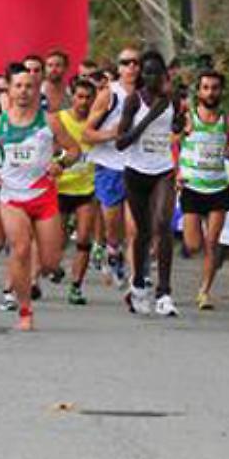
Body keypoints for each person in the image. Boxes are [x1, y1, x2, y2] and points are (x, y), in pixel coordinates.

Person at [0, 64, 81, 331]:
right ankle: (24, 310)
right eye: (18, 86)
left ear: (37, 90)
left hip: (44, 197)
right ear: (9, 90)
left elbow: (74, 150)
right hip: (12, 196)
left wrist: (61, 163)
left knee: (49, 263)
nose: (24, 91)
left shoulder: (50, 121)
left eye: (29, 86)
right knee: (21, 248)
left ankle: (41, 272)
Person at [116, 50, 185, 318]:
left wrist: (178, 124)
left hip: (163, 170)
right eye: (146, 72)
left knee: (163, 224)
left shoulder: (172, 100)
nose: (151, 77)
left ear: (164, 75)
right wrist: (147, 120)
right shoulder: (134, 100)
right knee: (143, 232)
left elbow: (177, 127)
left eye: (156, 72)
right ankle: (138, 285)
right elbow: (121, 142)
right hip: (135, 171)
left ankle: (164, 292)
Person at [82, 47, 140, 289]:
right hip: (110, 166)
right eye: (126, 63)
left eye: (136, 62)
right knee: (112, 222)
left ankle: (137, 281)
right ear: (119, 68)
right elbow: (86, 133)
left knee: (135, 228)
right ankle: (113, 249)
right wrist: (112, 134)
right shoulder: (109, 95)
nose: (132, 67)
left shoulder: (149, 95)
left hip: (137, 166)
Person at [178, 70, 229, 311]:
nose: (210, 92)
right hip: (193, 187)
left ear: (221, 91)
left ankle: (204, 292)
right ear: (199, 91)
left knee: (212, 243)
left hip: (219, 188)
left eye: (214, 88)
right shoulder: (188, 118)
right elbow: (172, 143)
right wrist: (177, 171)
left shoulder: (228, 121)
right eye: (206, 88)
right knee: (193, 245)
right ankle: (194, 243)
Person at [56, 79, 97, 305]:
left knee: (83, 239)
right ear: (72, 96)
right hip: (61, 187)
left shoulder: (96, 122)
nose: (84, 102)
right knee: (58, 240)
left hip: (87, 188)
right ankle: (52, 267)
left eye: (88, 97)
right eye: (80, 96)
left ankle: (76, 286)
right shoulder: (59, 120)